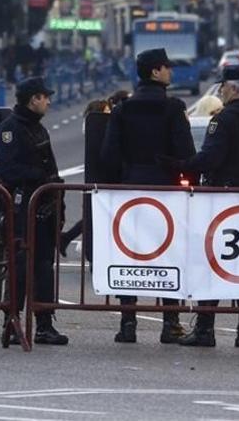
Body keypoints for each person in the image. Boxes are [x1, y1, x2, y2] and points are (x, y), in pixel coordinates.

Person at [172, 65, 239, 348]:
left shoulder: (223, 120)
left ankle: (205, 330)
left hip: (220, 198)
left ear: (233, 89)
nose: (220, 91)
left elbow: (209, 158)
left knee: (212, 262)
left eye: (223, 87)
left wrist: (182, 165)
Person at [101, 49, 195, 344]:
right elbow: (187, 154)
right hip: (166, 192)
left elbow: (108, 155)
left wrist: (122, 177)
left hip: (129, 191)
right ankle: (171, 323)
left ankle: (128, 324)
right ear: (155, 72)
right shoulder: (173, 109)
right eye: (166, 67)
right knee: (169, 255)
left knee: (129, 254)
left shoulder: (122, 110)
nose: (171, 71)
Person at [0, 77, 68, 346]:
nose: (48, 101)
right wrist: (39, 179)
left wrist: (57, 203)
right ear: (33, 99)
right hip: (22, 208)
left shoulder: (38, 129)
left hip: (43, 208)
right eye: (44, 97)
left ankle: (44, 325)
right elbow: (7, 170)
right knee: (20, 267)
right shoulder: (10, 130)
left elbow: (51, 169)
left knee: (44, 268)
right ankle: (12, 323)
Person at [59, 90, 131, 257]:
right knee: (93, 216)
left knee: (92, 216)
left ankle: (67, 238)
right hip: (99, 178)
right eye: (106, 111)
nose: (109, 113)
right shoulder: (98, 127)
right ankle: (70, 240)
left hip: (101, 179)